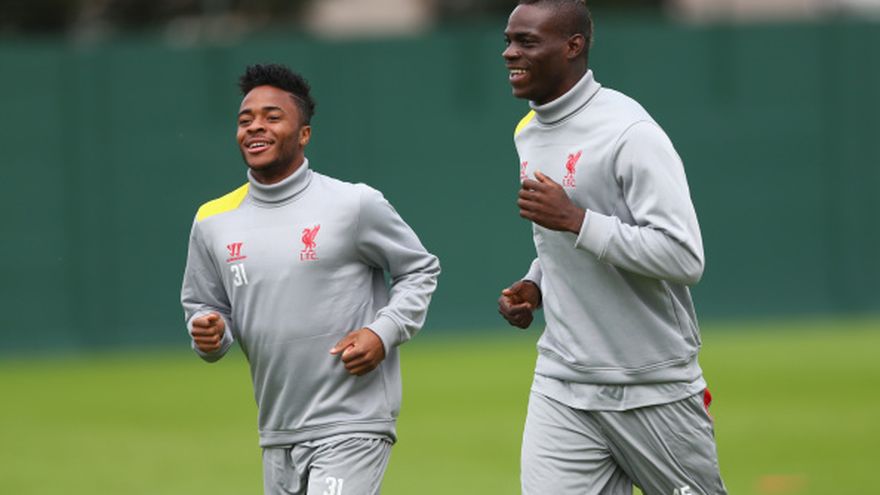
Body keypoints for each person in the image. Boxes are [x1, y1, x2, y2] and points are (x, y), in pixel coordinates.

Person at [497, 1, 727, 494]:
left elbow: (684, 256)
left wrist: (576, 219)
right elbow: (564, 236)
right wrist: (537, 283)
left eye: (526, 42)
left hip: (652, 385)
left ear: (573, 46)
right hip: (563, 382)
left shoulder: (630, 133)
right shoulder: (528, 131)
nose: (509, 53)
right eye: (509, 41)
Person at [181, 63, 440, 495]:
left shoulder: (353, 204)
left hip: (352, 422)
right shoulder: (212, 221)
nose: (255, 127)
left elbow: (419, 269)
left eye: (272, 117)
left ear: (304, 134)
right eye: (245, 120)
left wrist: (382, 333)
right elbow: (206, 309)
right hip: (277, 429)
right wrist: (209, 332)